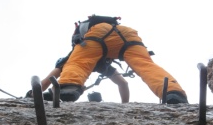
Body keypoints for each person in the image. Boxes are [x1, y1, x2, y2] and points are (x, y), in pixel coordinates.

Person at [58, 15, 188, 104]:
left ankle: (69, 86)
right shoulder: (108, 68)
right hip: (127, 34)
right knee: (145, 64)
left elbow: (73, 61)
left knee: (79, 61)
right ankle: (172, 91)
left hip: (99, 33)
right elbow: (123, 84)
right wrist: (124, 105)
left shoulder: (103, 66)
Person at [28, 55, 130, 103]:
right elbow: (123, 84)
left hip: (58, 89)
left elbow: (45, 83)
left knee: (65, 93)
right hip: (71, 92)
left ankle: (29, 97)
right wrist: (125, 106)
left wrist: (31, 95)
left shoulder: (68, 59)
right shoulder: (100, 60)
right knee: (69, 95)